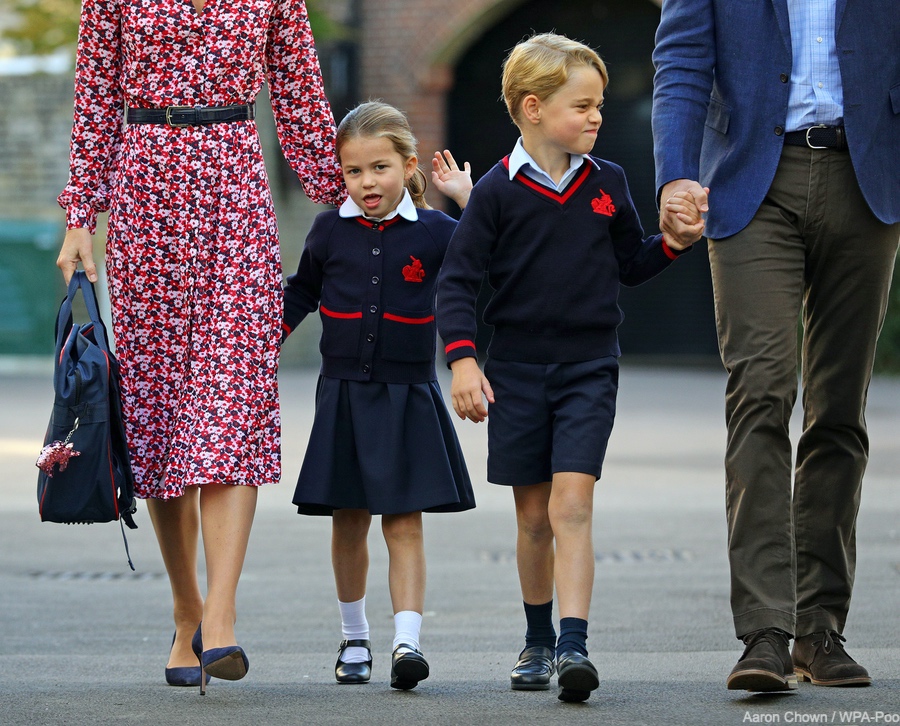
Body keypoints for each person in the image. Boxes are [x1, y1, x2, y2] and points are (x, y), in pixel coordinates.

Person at [55, 0, 344, 694]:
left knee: (232, 400)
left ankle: (222, 613)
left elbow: (302, 91)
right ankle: (186, 607)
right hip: (145, 189)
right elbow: (95, 97)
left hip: (235, 186)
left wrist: (358, 199)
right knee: (159, 416)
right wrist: (78, 217)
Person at [435, 33, 704, 703]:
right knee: (532, 520)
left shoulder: (608, 184)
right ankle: (538, 638)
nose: (596, 117)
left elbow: (632, 264)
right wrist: (464, 362)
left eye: (600, 105)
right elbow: (457, 283)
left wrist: (671, 244)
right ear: (533, 108)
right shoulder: (494, 192)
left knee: (572, 506)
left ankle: (576, 645)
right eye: (582, 106)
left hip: (589, 368)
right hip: (518, 372)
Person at [652, 0, 900, 693]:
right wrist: (675, 170)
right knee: (762, 388)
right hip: (751, 180)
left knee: (839, 408)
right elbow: (681, 59)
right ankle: (764, 629)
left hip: (868, 178)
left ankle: (820, 630)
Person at [282, 101, 476, 691]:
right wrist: (253, 348)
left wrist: (469, 201)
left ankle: (407, 644)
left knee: (404, 520)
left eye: (381, 168)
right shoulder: (327, 229)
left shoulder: (441, 232)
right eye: (353, 171)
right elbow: (301, 293)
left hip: (408, 394)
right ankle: (355, 637)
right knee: (348, 519)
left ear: (408, 165)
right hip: (342, 393)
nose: (367, 182)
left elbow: (498, 253)